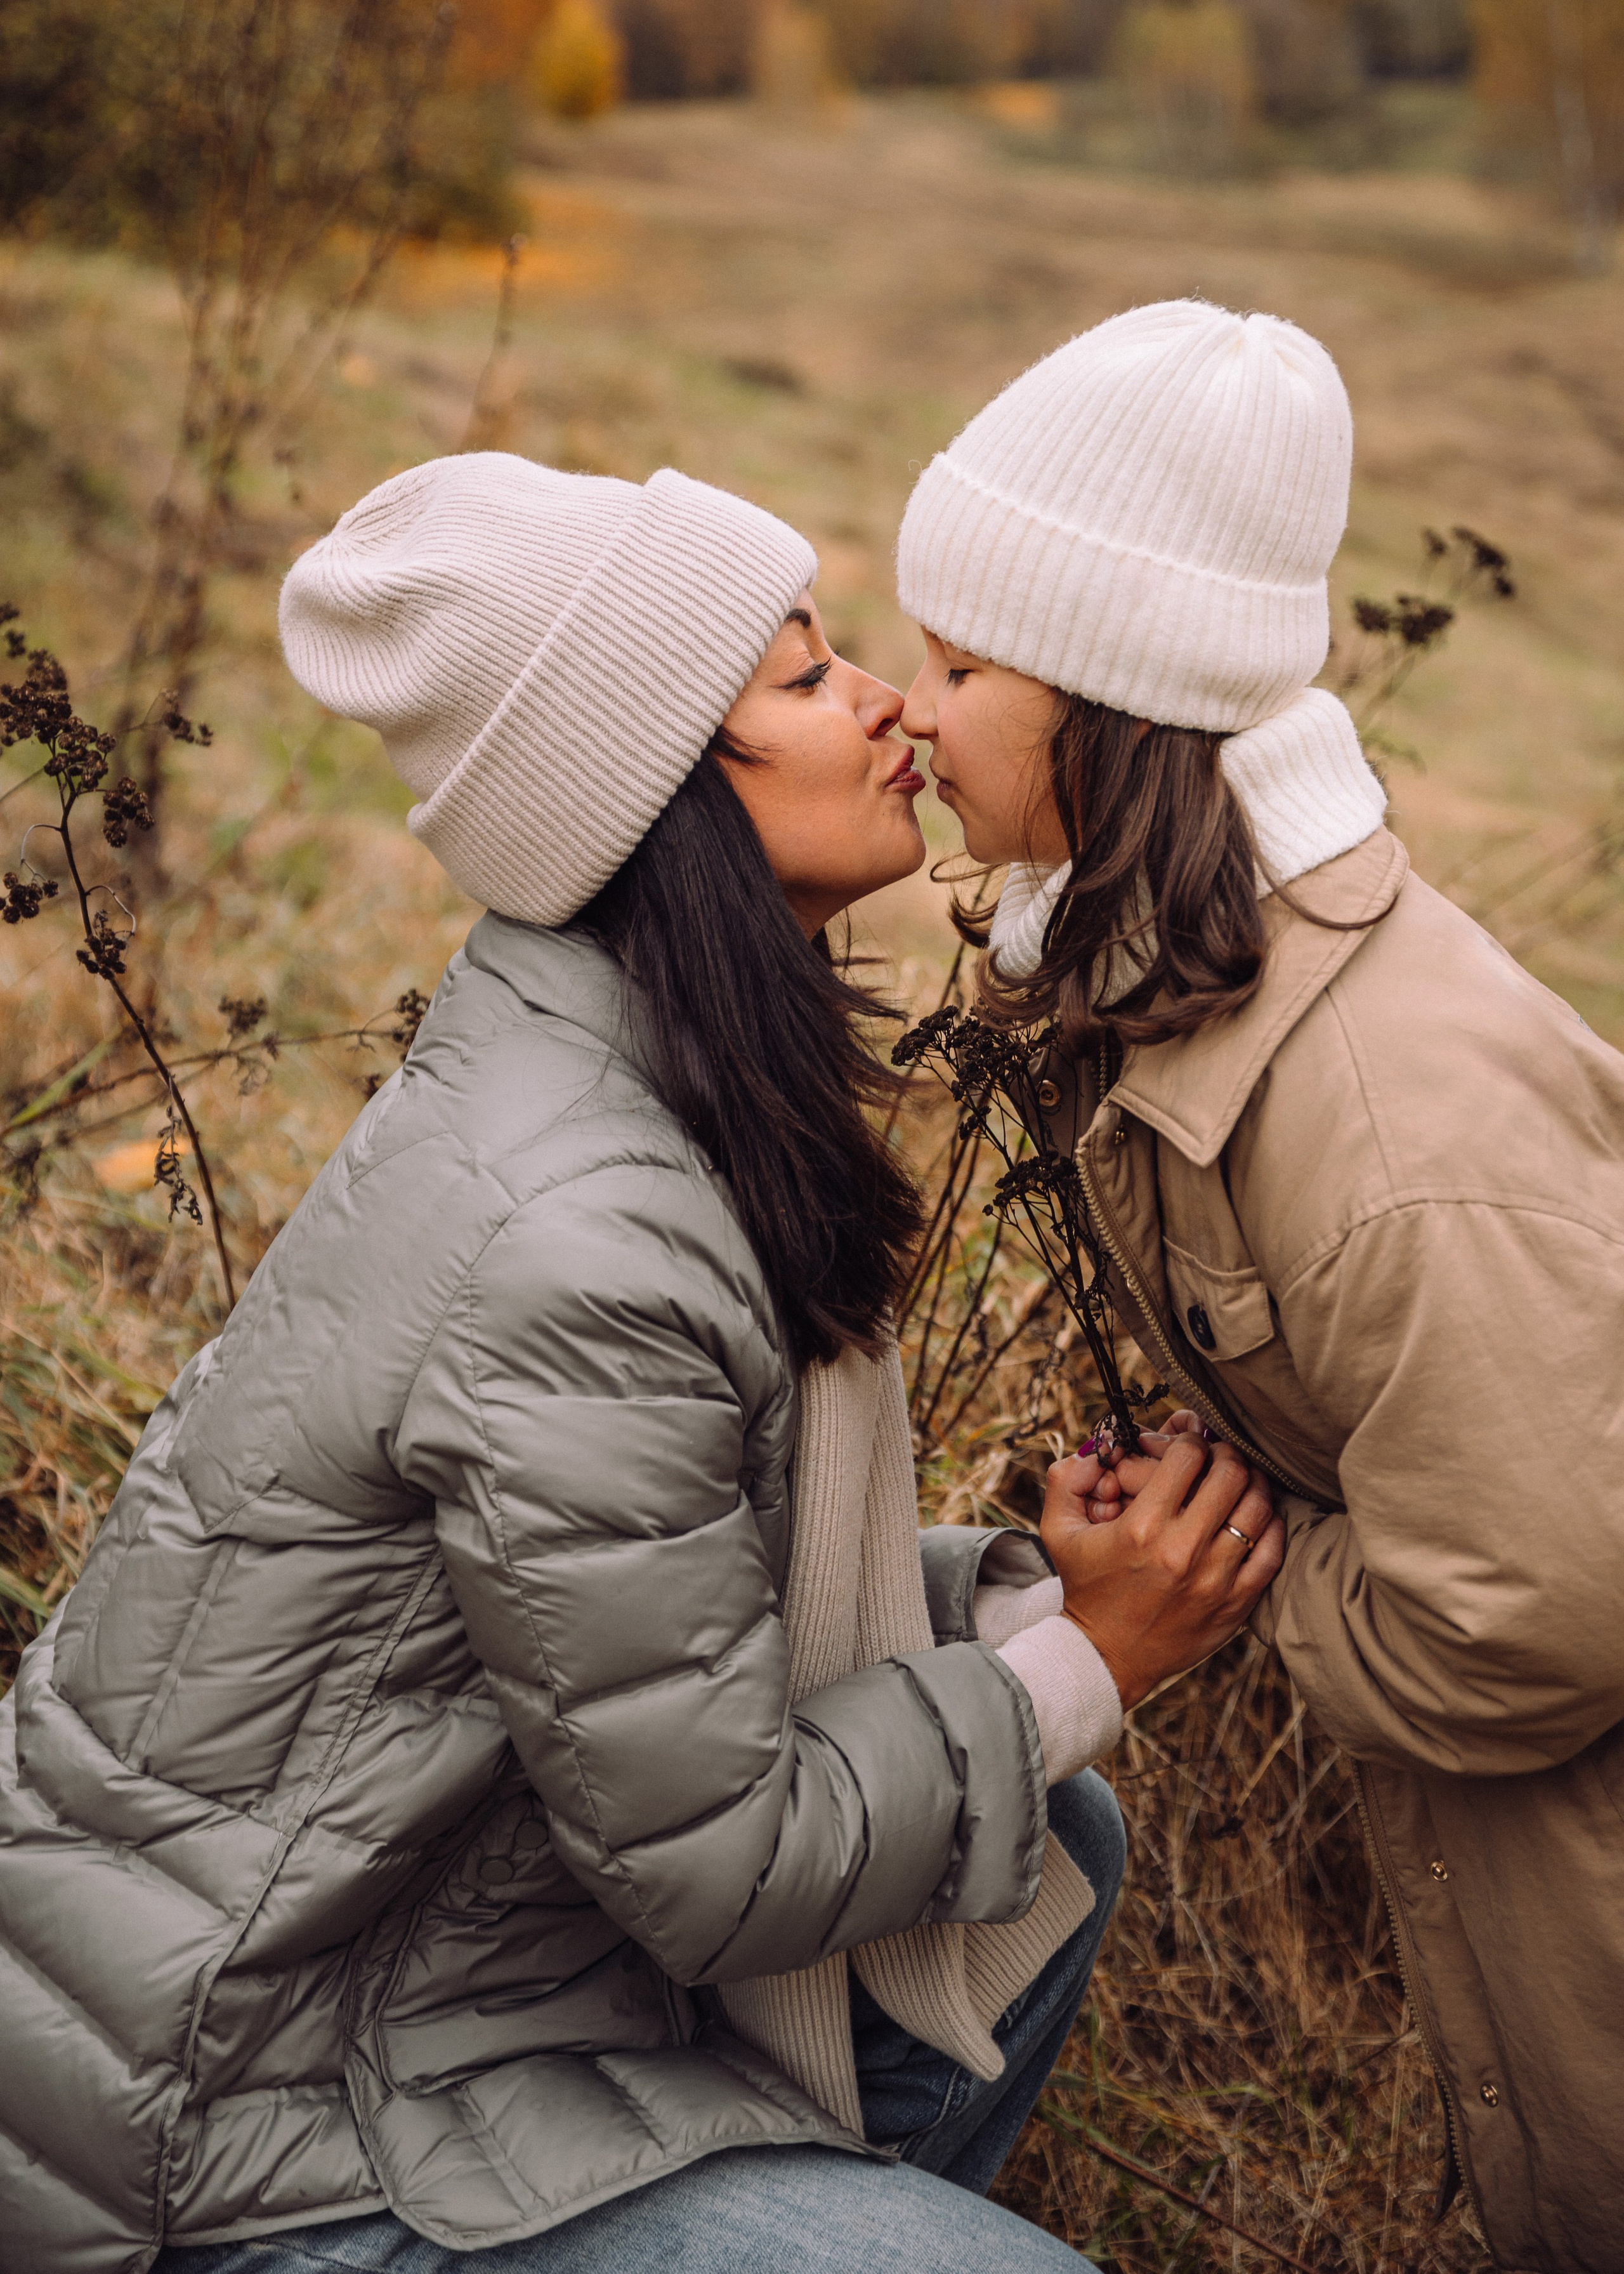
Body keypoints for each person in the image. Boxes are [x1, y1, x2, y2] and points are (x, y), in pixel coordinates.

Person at [0, 453, 1283, 2274]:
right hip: (245, 2117)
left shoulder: (626, 1085)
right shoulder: (580, 1237)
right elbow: (716, 1860)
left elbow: (652, 1606)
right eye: (804, 677)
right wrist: (1095, 1656)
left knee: (1050, 1831)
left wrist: (1018, 1609)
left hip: (446, 1972)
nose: (891, 708)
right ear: (658, 795)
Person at [894, 297, 1624, 2274]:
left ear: (1116, 711)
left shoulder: (1392, 1131)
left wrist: (1234, 1577)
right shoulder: (1169, 965)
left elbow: (1530, 1617)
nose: (911, 712)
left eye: (961, 666)